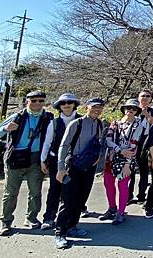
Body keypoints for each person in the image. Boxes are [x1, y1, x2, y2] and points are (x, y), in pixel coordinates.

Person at [0, 90, 54, 236]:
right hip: (15, 158)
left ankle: (31, 218)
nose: (37, 103)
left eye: (40, 101)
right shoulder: (17, 116)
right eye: (34, 101)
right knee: (11, 192)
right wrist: (5, 129)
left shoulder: (48, 118)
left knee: (35, 192)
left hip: (36, 159)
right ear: (27, 101)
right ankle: (6, 222)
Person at [53, 98, 107, 249]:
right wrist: (60, 167)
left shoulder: (100, 124)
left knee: (82, 198)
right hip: (73, 166)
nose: (97, 110)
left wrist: (98, 158)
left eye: (100, 108)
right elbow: (63, 146)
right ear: (86, 108)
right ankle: (60, 232)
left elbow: (100, 143)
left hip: (89, 167)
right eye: (94, 107)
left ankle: (72, 226)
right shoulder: (76, 124)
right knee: (68, 199)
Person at [40, 93, 81, 230]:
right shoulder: (54, 122)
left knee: (72, 190)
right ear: (59, 106)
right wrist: (42, 160)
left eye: (70, 102)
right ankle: (49, 217)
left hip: (76, 161)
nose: (67, 105)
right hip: (56, 160)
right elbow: (47, 142)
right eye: (63, 103)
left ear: (74, 104)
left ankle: (69, 219)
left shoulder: (82, 121)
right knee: (54, 189)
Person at [99, 99, 143, 225]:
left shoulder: (138, 125)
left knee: (123, 185)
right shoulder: (115, 123)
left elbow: (133, 145)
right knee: (108, 183)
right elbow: (108, 140)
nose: (130, 110)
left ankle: (121, 212)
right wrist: (119, 150)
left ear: (136, 112)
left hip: (127, 160)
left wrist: (128, 163)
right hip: (112, 157)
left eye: (134, 109)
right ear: (124, 109)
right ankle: (111, 208)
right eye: (128, 107)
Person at [127, 89, 153, 204]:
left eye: (148, 96)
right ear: (138, 98)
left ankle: (142, 195)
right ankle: (128, 196)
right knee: (130, 171)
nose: (145, 98)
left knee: (144, 171)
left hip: (145, 143)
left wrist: (147, 115)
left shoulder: (152, 111)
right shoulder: (133, 109)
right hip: (131, 143)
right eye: (143, 96)